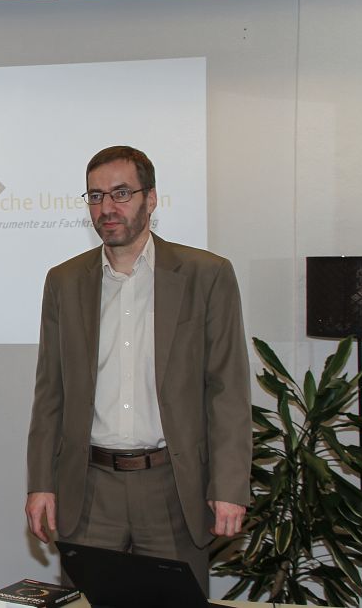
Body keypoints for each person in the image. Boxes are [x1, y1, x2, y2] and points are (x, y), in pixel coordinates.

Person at [24, 145, 251, 592]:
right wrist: (41, 483)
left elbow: (227, 389)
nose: (107, 208)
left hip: (173, 488)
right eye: (95, 196)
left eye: (121, 193)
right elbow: (50, 392)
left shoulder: (207, 274)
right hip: (89, 490)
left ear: (151, 198)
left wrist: (229, 487)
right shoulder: (63, 282)